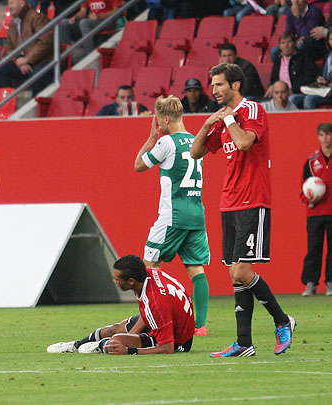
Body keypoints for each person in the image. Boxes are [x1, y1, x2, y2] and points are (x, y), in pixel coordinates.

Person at [190, 62, 296, 357]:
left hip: (253, 199)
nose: (213, 90)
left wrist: (227, 120)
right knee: (235, 275)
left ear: (235, 85)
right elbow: (196, 152)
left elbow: (245, 142)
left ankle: (282, 320)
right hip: (229, 202)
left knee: (241, 270)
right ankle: (244, 343)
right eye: (212, 85)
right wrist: (207, 125)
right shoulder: (223, 118)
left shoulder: (252, 110)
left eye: (219, 84)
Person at [133, 95, 210, 335]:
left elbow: (138, 165)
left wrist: (150, 140)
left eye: (158, 120)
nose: (158, 124)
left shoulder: (167, 142)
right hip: (196, 214)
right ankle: (200, 325)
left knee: (149, 266)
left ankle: (151, 319)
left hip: (172, 216)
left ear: (165, 118)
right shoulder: (196, 139)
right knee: (196, 269)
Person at [47, 255, 195, 355]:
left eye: (117, 279)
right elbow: (150, 313)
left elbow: (167, 348)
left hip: (178, 341)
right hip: (166, 320)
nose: (115, 281)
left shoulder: (156, 301)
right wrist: (130, 337)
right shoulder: (147, 275)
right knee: (114, 329)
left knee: (117, 341)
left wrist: (129, 350)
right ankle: (76, 345)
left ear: (131, 281)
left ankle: (102, 345)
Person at [0, 0, 53, 96]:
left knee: (37, 76)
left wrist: (27, 59)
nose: (9, 7)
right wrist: (18, 60)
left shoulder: (38, 18)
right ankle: (6, 102)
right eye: (8, 4)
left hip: (43, 61)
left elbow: (45, 42)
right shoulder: (12, 25)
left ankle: (36, 104)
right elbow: (10, 48)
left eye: (12, 3)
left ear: (22, 3)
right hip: (23, 62)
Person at [299, 122, 332, 296]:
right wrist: (310, 199)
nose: (325, 138)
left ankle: (330, 284)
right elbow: (304, 187)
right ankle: (310, 284)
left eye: (328, 134)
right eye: (321, 135)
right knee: (313, 248)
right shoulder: (312, 162)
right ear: (318, 137)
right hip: (315, 212)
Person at [290, 30, 332, 110]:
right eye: (331, 39)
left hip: (330, 94)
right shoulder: (328, 56)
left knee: (309, 99)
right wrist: (320, 80)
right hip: (323, 91)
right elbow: (320, 74)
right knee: (292, 98)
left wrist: (329, 84)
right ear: (328, 41)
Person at [267, 33, 317, 98]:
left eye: (289, 42)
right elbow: (274, 79)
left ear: (295, 43)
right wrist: (272, 85)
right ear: (279, 46)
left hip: (299, 93)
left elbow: (309, 79)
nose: (286, 46)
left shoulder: (304, 57)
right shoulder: (278, 60)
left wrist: (293, 90)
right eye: (283, 43)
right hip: (281, 94)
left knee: (292, 99)